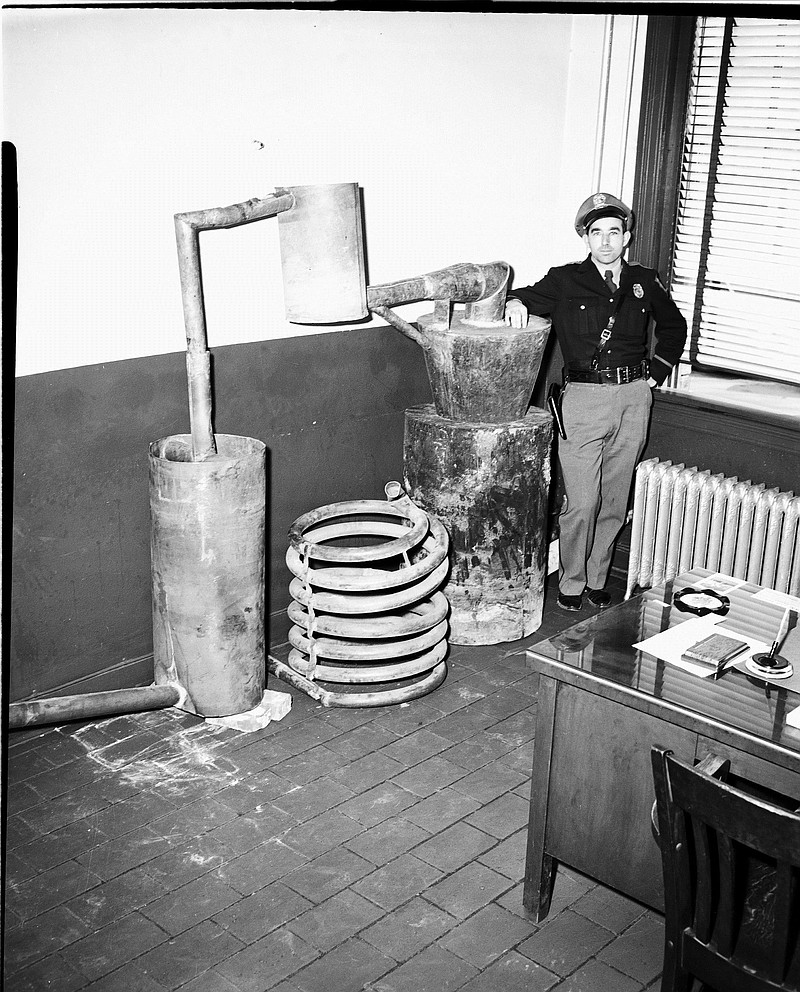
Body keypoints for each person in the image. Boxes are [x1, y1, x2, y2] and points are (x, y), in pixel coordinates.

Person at [505, 192, 687, 611]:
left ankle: (597, 577)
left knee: (614, 496)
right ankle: (571, 580)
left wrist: (653, 376)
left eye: (614, 232)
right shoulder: (565, 280)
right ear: (585, 238)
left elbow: (674, 328)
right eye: (596, 232)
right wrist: (515, 300)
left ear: (627, 236)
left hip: (633, 398)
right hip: (584, 399)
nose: (605, 241)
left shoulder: (644, 281)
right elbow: (525, 296)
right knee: (583, 500)